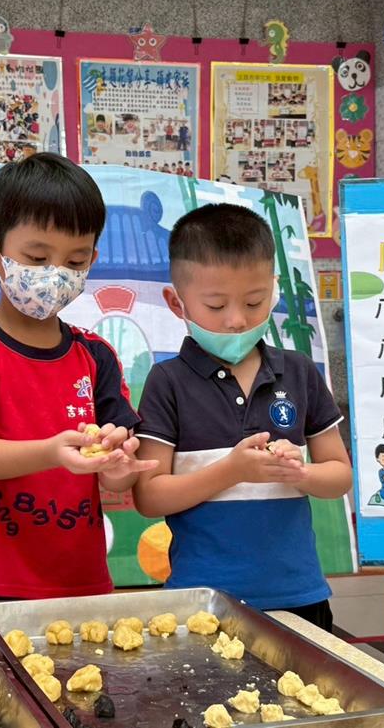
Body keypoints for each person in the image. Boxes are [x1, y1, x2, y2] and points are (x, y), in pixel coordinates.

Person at [0, 153, 156, 611]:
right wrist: (52, 452)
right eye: (37, 257)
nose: (56, 274)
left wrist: (118, 465)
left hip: (79, 577)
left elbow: (115, 467)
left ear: (92, 260)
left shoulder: (97, 355)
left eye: (75, 260)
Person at [132, 204, 352, 632]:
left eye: (254, 302)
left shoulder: (298, 371)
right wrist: (232, 469)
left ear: (273, 289)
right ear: (176, 302)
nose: (236, 320)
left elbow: (339, 475)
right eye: (215, 305)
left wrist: (301, 473)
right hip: (202, 601)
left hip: (299, 596)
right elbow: (149, 497)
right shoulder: (168, 381)